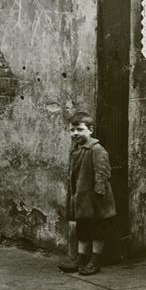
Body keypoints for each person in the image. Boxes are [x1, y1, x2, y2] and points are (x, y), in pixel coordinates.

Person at [59, 111, 116, 275]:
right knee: (83, 229)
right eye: (72, 130)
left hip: (97, 199)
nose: (75, 133)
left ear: (90, 130)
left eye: (79, 129)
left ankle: (94, 261)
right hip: (83, 200)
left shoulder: (96, 149)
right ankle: (81, 259)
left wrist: (99, 191)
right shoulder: (76, 149)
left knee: (98, 230)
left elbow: (102, 172)